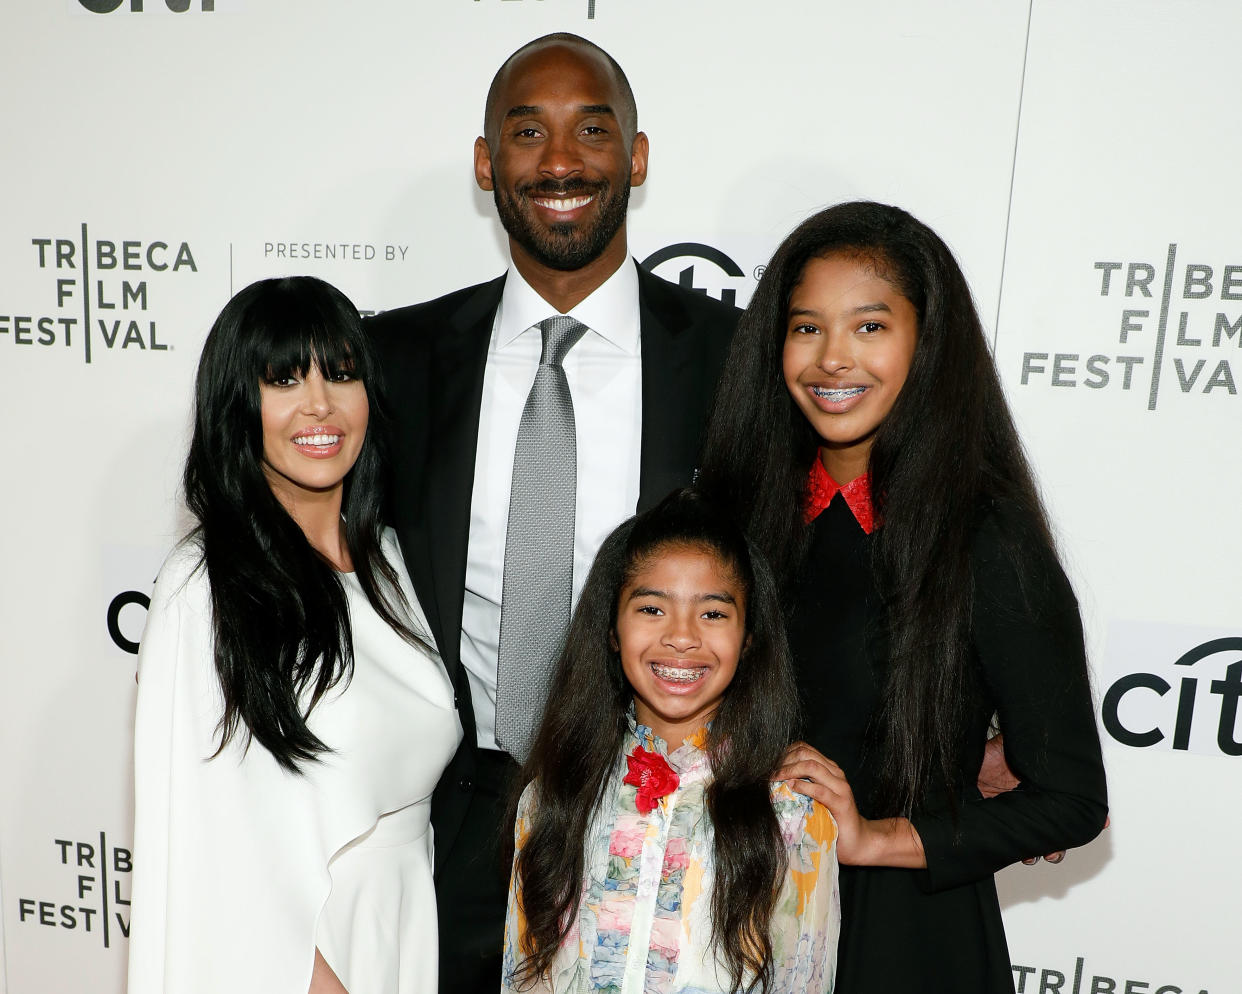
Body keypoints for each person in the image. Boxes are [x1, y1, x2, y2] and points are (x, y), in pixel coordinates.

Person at [368, 33, 739, 991]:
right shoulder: (398, 361)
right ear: (487, 164)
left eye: (592, 130)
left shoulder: (734, 360)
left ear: (638, 157)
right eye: (528, 132)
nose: (562, 161)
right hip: (449, 814)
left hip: (664, 812)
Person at [696, 201, 1108, 993]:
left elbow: (1070, 800)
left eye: (870, 327)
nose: (831, 359)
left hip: (901, 942)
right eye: (807, 327)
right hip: (723, 922)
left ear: (927, 345)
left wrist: (875, 838)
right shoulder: (730, 520)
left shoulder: (985, 538)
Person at [128, 277, 461, 994]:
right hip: (297, 957)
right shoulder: (206, 587)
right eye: (283, 378)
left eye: (341, 373)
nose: (320, 403)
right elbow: (215, 847)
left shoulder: (393, 561)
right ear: (237, 406)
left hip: (398, 923)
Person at [502, 489, 839, 993]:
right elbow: (522, 975)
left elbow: (804, 979)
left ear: (748, 638)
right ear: (612, 629)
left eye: (713, 614)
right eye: (652, 609)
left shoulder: (792, 812)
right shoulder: (555, 795)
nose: (681, 637)